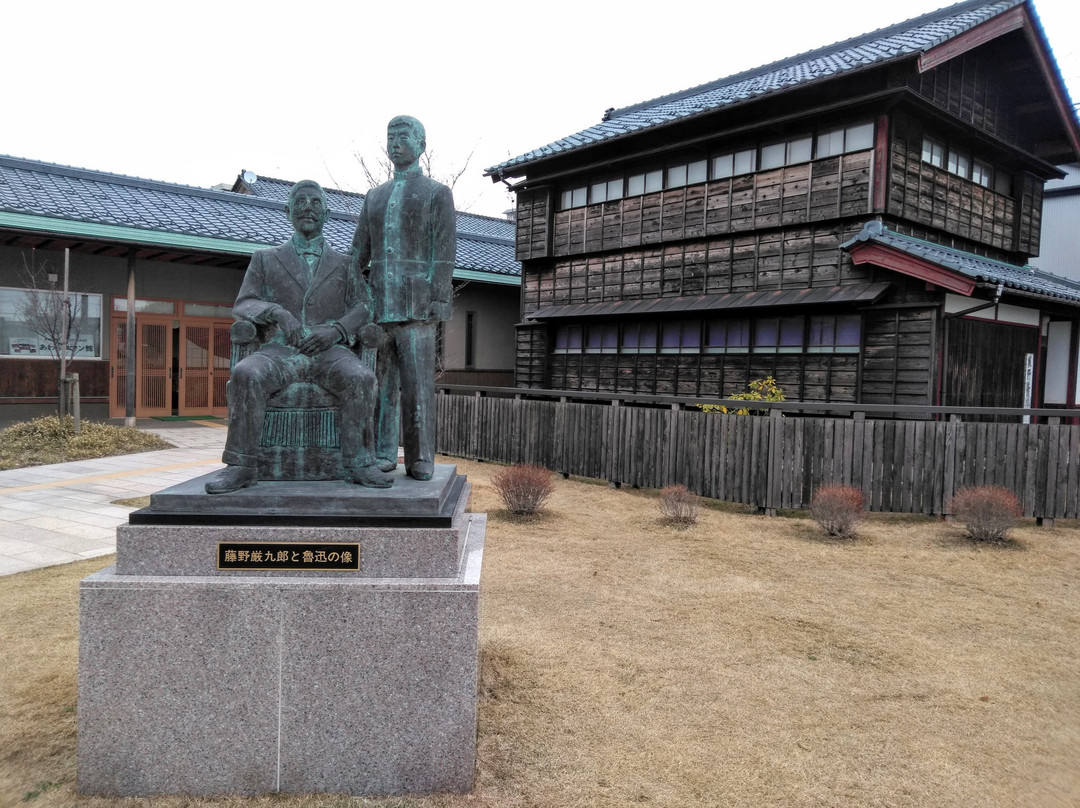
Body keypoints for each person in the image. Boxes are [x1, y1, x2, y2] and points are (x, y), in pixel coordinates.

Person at [205, 180, 390, 494]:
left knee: (362, 378)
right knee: (245, 373)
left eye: (315, 202)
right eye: (301, 201)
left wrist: (337, 330)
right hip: (282, 350)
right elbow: (244, 304)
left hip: (331, 352)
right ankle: (242, 465)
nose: (308, 207)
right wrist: (278, 313)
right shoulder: (265, 258)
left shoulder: (345, 265)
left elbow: (365, 306)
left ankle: (360, 462)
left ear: (326, 213)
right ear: (287, 210)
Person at [350, 116, 456, 481]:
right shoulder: (374, 197)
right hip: (381, 305)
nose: (395, 143)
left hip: (417, 304)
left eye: (403, 137)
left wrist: (439, 299)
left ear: (421, 144)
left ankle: (421, 456)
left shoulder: (435, 192)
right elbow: (357, 255)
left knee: (418, 385)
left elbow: (443, 252)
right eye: (390, 137)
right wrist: (358, 295)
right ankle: (382, 453)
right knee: (383, 384)